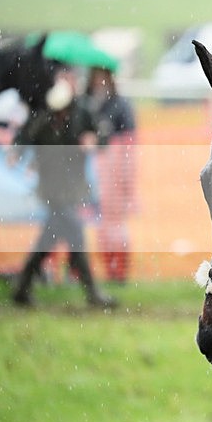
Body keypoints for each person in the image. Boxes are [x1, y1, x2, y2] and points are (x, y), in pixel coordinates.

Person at [11, 64, 115, 307]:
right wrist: (18, 151)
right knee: (74, 235)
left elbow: (103, 134)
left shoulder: (83, 111)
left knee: (49, 237)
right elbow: (24, 137)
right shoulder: (42, 116)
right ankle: (92, 293)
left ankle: (22, 288)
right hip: (50, 187)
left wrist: (94, 140)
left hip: (72, 187)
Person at [85, 67, 137, 283]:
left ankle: (119, 272)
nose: (100, 83)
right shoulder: (87, 104)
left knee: (115, 226)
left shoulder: (120, 105)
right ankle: (108, 269)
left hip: (113, 172)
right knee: (101, 227)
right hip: (95, 172)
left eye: (103, 78)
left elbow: (129, 144)